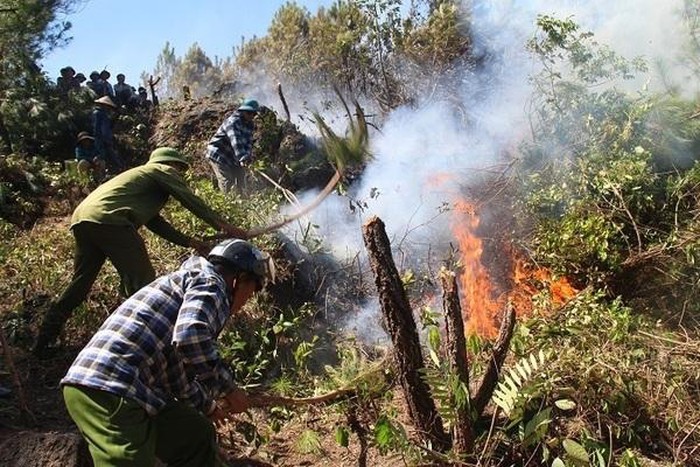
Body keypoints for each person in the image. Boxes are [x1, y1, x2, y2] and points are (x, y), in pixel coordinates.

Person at [61, 238, 273, 466]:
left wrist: (206, 405)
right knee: (130, 461)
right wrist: (229, 389)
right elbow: (191, 336)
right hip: (109, 386)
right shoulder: (212, 285)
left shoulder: (191, 285)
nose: (247, 300)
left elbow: (176, 370)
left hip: (133, 389)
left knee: (195, 434)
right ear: (238, 280)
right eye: (251, 291)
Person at [33, 147, 249, 356]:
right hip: (113, 221)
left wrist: (191, 242)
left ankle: (44, 340)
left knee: (80, 283)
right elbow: (189, 200)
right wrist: (224, 226)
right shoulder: (159, 170)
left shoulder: (141, 183)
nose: (180, 175)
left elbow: (155, 223)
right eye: (179, 170)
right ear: (171, 165)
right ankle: (143, 344)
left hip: (83, 219)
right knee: (144, 284)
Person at [206, 98, 259, 193]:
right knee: (227, 181)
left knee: (241, 181)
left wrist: (247, 157)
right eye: (249, 113)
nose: (251, 116)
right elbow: (236, 141)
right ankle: (225, 204)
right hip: (219, 155)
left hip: (233, 157)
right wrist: (242, 157)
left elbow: (248, 143)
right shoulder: (233, 122)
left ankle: (242, 204)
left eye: (254, 114)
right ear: (243, 111)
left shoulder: (250, 125)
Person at [92, 95, 125, 173]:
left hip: (106, 139)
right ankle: (99, 172)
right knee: (102, 156)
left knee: (110, 155)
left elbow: (109, 126)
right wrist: (103, 138)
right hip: (101, 139)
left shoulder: (104, 115)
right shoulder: (98, 113)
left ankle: (117, 169)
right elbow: (98, 128)